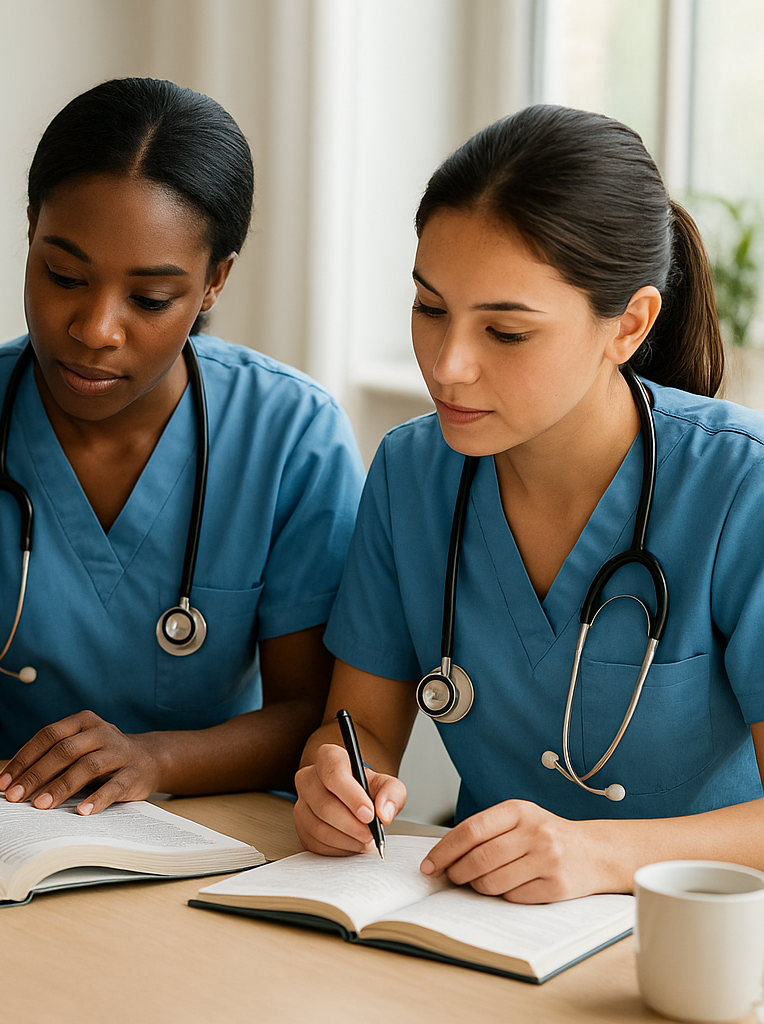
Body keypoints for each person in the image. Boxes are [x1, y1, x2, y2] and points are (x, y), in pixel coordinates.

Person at [295, 104, 764, 903]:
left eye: (506, 333)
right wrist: (336, 783)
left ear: (629, 325)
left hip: (694, 938)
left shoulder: (738, 488)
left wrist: (600, 857)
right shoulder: (412, 474)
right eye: (430, 308)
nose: (448, 366)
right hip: (482, 924)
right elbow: (362, 727)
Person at [0, 78, 364, 816]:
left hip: (204, 830)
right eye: (64, 275)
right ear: (30, 232)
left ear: (214, 282)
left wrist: (156, 758)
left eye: (151, 299)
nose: (96, 328)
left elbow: (313, 716)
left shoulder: (290, 436)